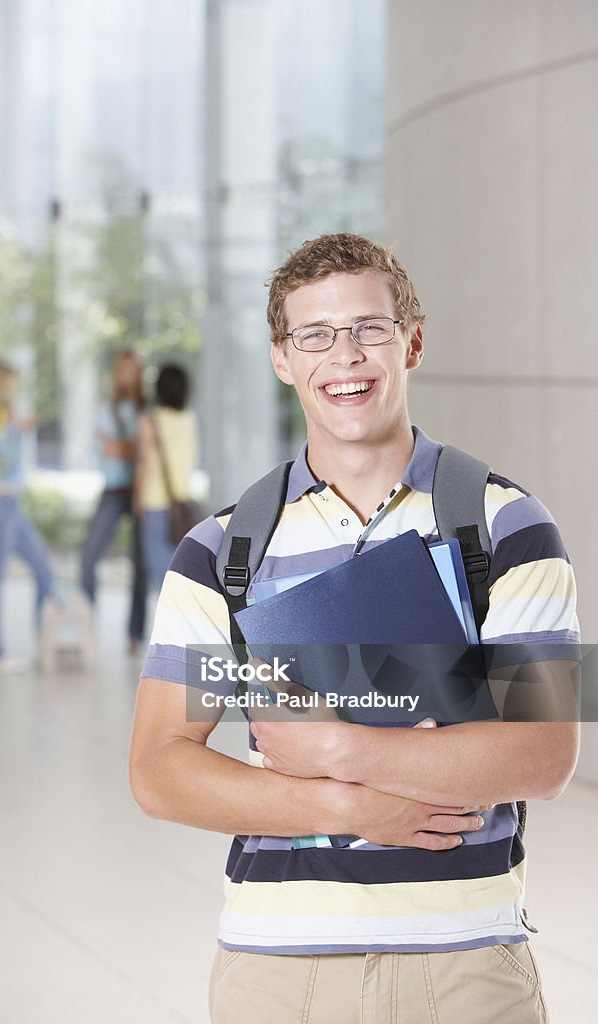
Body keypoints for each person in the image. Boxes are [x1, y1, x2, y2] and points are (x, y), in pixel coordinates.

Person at [128, 234, 579, 1023]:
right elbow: (158, 770)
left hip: (467, 964)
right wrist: (344, 807)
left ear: (411, 341)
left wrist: (338, 751)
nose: (345, 355)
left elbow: (544, 755)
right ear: (281, 358)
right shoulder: (221, 552)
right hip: (276, 972)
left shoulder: (506, 526)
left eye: (368, 328)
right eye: (315, 334)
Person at [0, 358, 54, 674]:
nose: (13, 391)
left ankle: (47, 642)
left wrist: (14, 427)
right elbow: (7, 459)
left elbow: (11, 464)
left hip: (12, 504)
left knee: (45, 571)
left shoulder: (2, 418)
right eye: (10, 385)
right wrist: (17, 430)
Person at [80, 349, 147, 655]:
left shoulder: (148, 409)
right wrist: (127, 447)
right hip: (112, 490)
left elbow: (138, 453)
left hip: (140, 493)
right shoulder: (107, 409)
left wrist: (119, 446)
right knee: (88, 556)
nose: (127, 377)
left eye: (132, 370)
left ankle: (134, 633)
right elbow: (101, 449)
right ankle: (85, 624)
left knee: (140, 565)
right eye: (123, 370)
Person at [134, 363, 198, 593]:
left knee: (158, 572)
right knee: (177, 573)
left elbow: (143, 464)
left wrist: (137, 499)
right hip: (181, 503)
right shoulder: (189, 418)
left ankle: (166, 627)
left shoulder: (150, 420)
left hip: (154, 502)